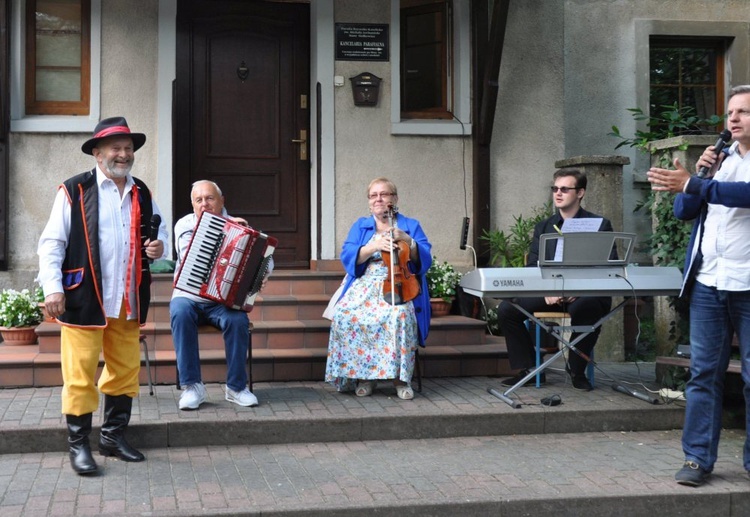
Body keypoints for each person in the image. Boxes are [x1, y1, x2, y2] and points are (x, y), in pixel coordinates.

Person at [37, 116, 168, 475]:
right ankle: (79, 446)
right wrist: (52, 287)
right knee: (79, 375)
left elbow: (161, 235)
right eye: (116, 148)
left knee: (125, 370)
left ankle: (112, 437)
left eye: (128, 148)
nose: (123, 154)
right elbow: (52, 243)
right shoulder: (74, 190)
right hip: (83, 298)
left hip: (127, 299)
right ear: (97, 153)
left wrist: (158, 248)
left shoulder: (142, 191)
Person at [647, 85, 750, 487]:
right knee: (703, 373)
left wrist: (695, 183)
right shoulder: (720, 161)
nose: (734, 119)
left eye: (743, 111)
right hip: (709, 283)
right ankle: (697, 461)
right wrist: (702, 173)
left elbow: (743, 195)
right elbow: (684, 210)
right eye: (729, 113)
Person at [496, 169, 614, 391]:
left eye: (565, 189)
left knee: (588, 308)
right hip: (550, 290)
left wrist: (578, 289)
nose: (558, 193)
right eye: (555, 189)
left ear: (580, 193)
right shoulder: (544, 226)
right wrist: (547, 291)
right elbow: (533, 266)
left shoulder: (599, 224)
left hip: (584, 292)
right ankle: (529, 369)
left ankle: (577, 370)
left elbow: (607, 266)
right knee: (507, 309)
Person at [324, 177, 432, 400]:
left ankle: (400, 379)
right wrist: (372, 246)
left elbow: (425, 261)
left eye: (384, 194)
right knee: (346, 315)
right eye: (373, 195)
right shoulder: (360, 225)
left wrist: (409, 241)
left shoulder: (410, 225)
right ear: (369, 201)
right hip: (364, 283)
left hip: (399, 282)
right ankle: (364, 377)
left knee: (399, 315)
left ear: (395, 199)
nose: (379, 199)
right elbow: (348, 257)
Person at [170, 180, 272, 411]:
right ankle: (192, 387)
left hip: (223, 301)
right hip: (190, 297)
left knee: (238, 320)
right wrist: (226, 225)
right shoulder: (184, 225)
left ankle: (236, 388)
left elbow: (267, 257)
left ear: (222, 200)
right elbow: (196, 257)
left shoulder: (241, 227)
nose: (204, 204)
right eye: (199, 200)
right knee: (180, 312)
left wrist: (261, 274)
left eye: (210, 198)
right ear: (193, 204)